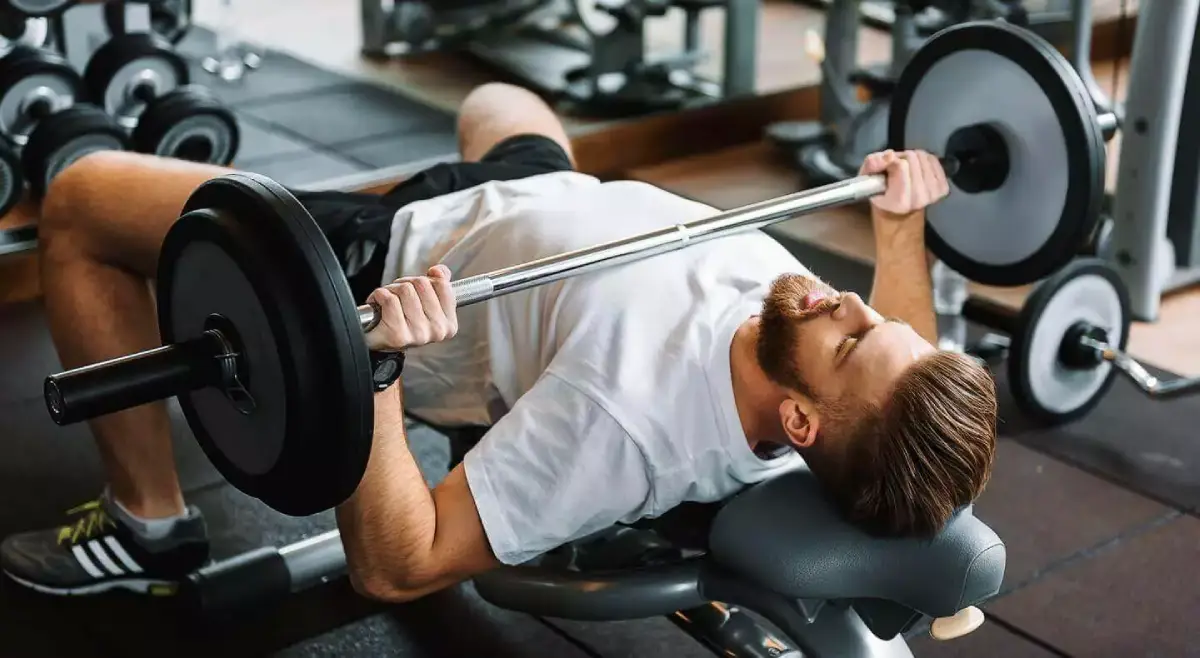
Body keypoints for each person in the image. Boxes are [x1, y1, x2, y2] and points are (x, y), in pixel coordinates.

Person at [1, 82, 997, 599]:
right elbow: (901, 346)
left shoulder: (625, 424)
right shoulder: (813, 342)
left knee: (82, 203)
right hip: (529, 193)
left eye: (856, 333)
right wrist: (901, 225)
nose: (855, 302)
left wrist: (375, 367)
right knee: (501, 108)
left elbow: (399, 565)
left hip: (403, 256)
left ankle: (147, 520)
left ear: (797, 417)